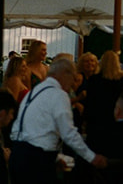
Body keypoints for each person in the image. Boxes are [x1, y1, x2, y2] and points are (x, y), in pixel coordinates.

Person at [7, 55, 105, 184]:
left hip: (18, 155)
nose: (72, 84)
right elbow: (68, 133)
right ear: (64, 74)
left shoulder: (34, 92)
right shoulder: (58, 95)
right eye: (73, 78)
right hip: (37, 161)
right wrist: (92, 157)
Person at [80, 50, 123, 152]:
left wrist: (85, 119)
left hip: (97, 121)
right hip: (115, 119)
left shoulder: (94, 80)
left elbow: (90, 102)